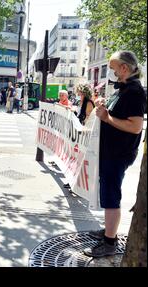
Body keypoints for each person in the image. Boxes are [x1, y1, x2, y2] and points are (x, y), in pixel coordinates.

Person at [83, 51, 146, 258]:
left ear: (124, 68)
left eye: (113, 68)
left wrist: (107, 117)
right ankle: (109, 231)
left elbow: (136, 127)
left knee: (111, 196)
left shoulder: (134, 91)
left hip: (118, 153)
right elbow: (115, 114)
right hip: (112, 152)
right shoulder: (125, 89)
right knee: (109, 194)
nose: (112, 72)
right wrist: (104, 107)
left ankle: (110, 242)